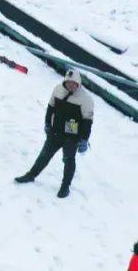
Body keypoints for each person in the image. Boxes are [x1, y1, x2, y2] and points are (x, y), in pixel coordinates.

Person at [14, 68, 94, 198]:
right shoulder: (58, 90)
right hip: (56, 132)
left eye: (73, 83)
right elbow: (50, 107)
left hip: (72, 137)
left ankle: (65, 186)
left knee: (68, 160)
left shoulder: (86, 99)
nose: (71, 86)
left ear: (78, 83)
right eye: (68, 83)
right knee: (44, 155)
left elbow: (87, 121)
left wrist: (84, 139)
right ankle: (31, 175)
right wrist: (47, 124)